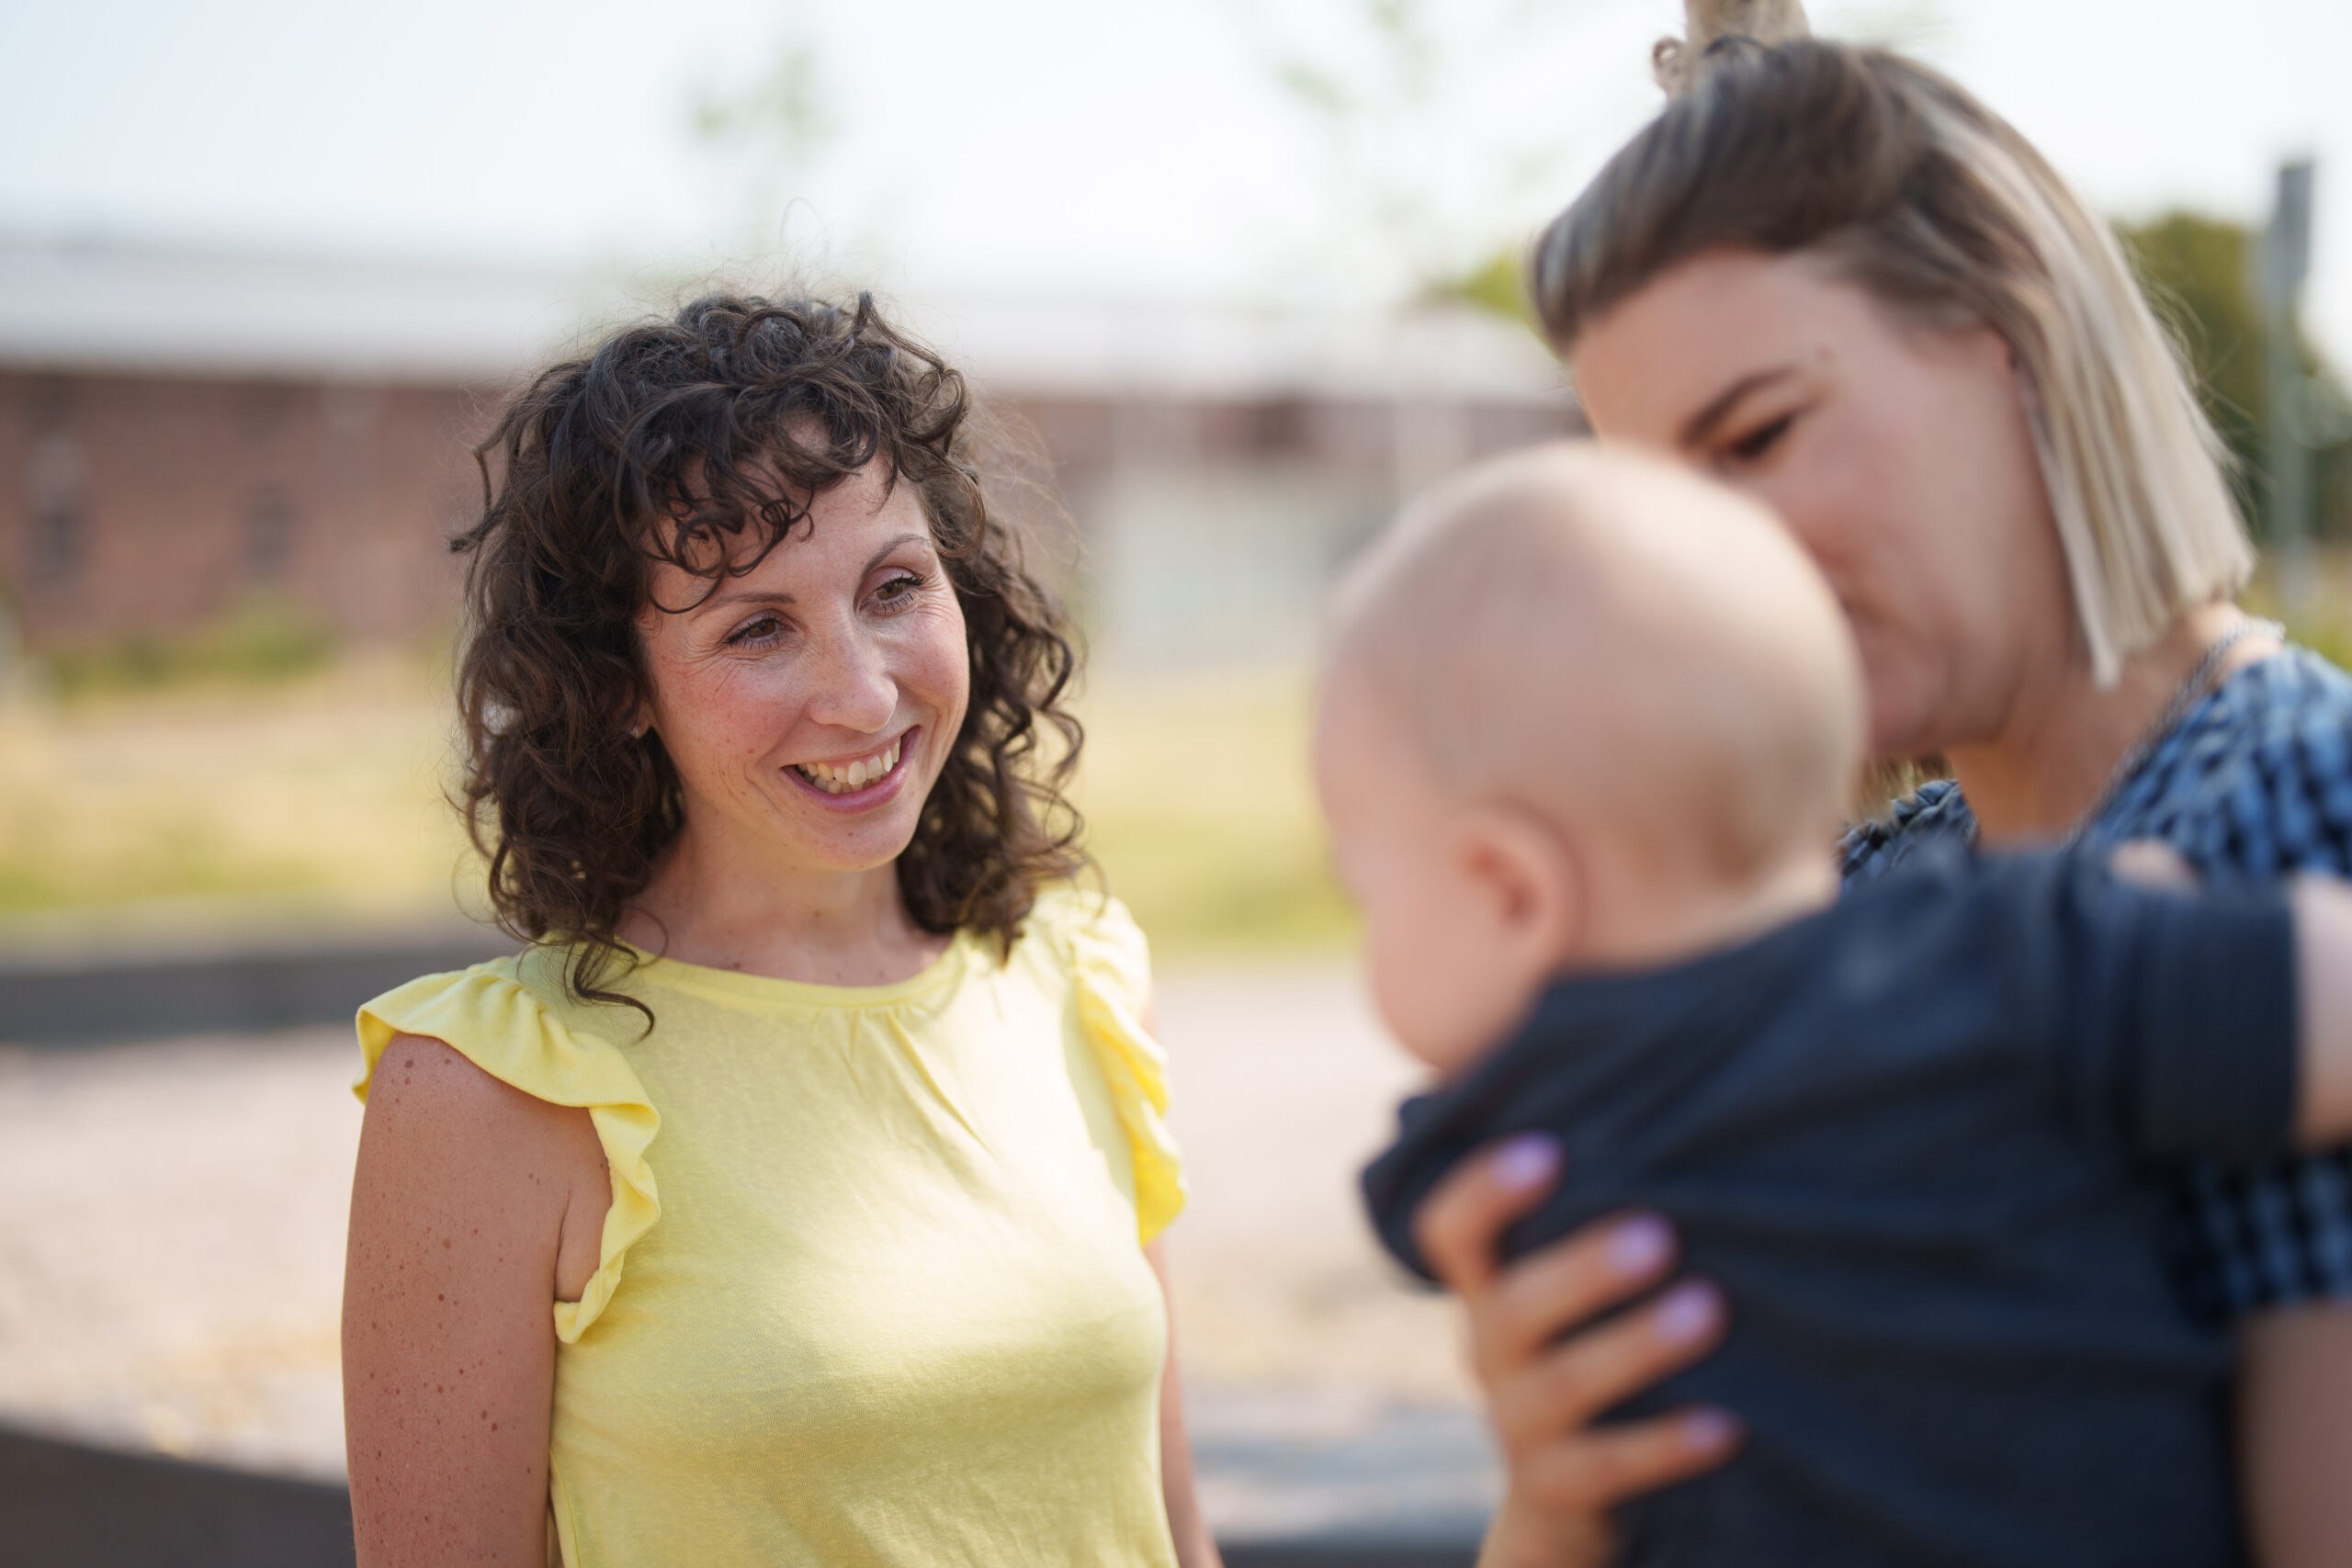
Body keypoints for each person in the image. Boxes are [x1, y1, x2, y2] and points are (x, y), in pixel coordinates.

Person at [1411, 6, 2352, 1566]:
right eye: (1663, 512)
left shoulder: (2291, 828)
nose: (1720, 569)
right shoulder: (1852, 898)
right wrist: (1567, 1471)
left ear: (2015, 334)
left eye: (1760, 434)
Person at [1320, 438, 2352, 1566]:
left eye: (1365, 895)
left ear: (1511, 891)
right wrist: (2149, 924)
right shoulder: (2013, 954)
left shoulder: (1504, 1143)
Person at [339, 292, 1222, 1568]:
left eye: (894, 587)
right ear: (619, 685)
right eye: (757, 626)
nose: (861, 693)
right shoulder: (489, 1092)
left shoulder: (1078, 979)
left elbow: (1177, 1530)